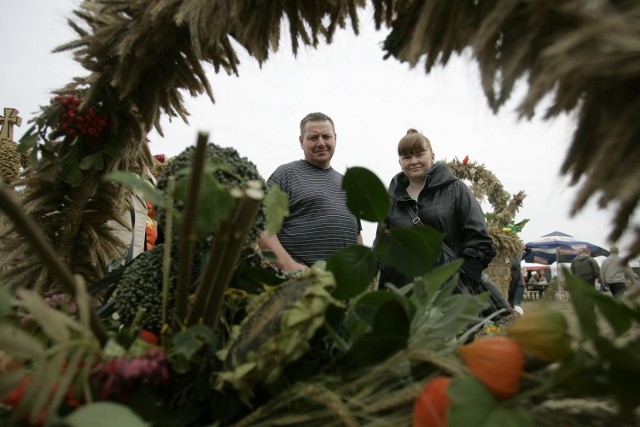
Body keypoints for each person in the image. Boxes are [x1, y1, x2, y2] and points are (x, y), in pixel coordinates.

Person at [375, 129, 498, 303]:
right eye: (406, 157)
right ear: (400, 162)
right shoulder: (391, 199)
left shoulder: (456, 189)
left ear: (432, 156)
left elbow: (478, 236)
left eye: (419, 154)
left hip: (448, 294)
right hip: (404, 296)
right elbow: (381, 244)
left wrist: (464, 281)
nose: (413, 161)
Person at [259, 112, 363, 272]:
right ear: (301, 141)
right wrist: (290, 267)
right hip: (297, 285)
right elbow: (260, 223)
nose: (321, 143)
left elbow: (356, 234)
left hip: (341, 289)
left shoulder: (349, 185)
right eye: (313, 138)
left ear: (335, 138)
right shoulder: (285, 175)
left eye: (326, 136)